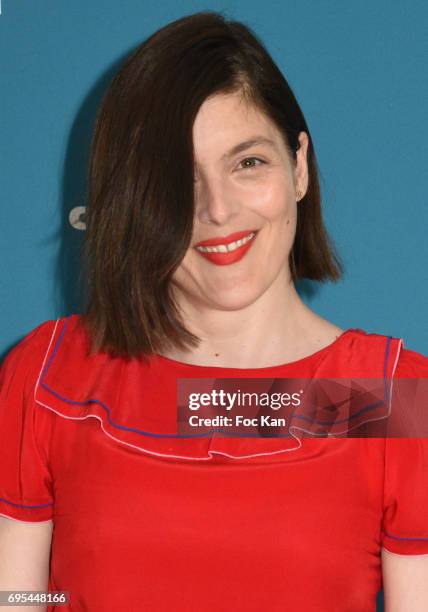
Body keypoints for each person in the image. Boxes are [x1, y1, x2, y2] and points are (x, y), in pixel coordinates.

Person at [1, 10, 427, 612]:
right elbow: (12, 597)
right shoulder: (47, 378)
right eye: (179, 180)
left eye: (247, 161)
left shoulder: (391, 399)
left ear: (299, 166)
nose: (218, 210)